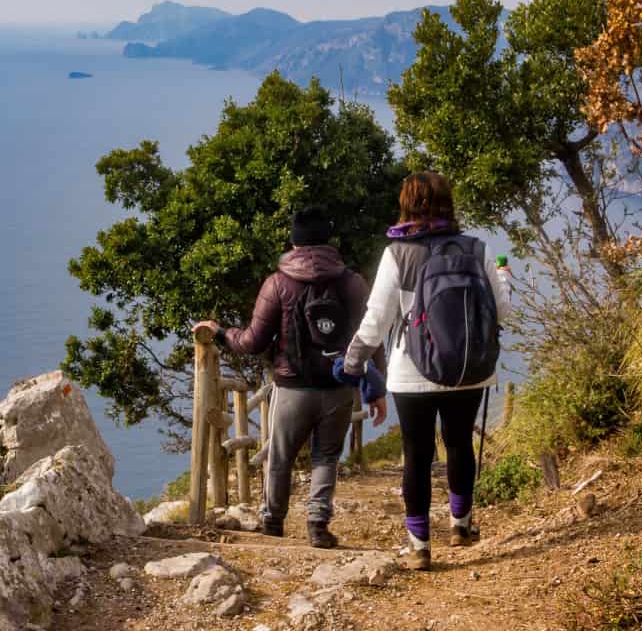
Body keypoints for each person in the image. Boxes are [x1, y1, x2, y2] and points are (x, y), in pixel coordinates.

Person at [340, 171, 511, 571]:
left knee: (416, 455)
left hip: (411, 372)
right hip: (471, 369)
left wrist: (353, 361)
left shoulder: (397, 254)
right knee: (459, 444)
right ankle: (461, 524)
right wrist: (504, 278)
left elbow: (376, 320)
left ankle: (419, 547)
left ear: (406, 205)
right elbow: (502, 310)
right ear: (448, 203)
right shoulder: (475, 248)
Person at [193, 206, 386, 548]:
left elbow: (252, 342)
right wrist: (377, 387)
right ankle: (318, 524)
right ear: (328, 239)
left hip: (292, 385)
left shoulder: (278, 283)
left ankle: (273, 522)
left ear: (294, 242)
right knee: (326, 456)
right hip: (339, 385)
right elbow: (372, 337)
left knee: (280, 455)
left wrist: (221, 332)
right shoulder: (352, 283)